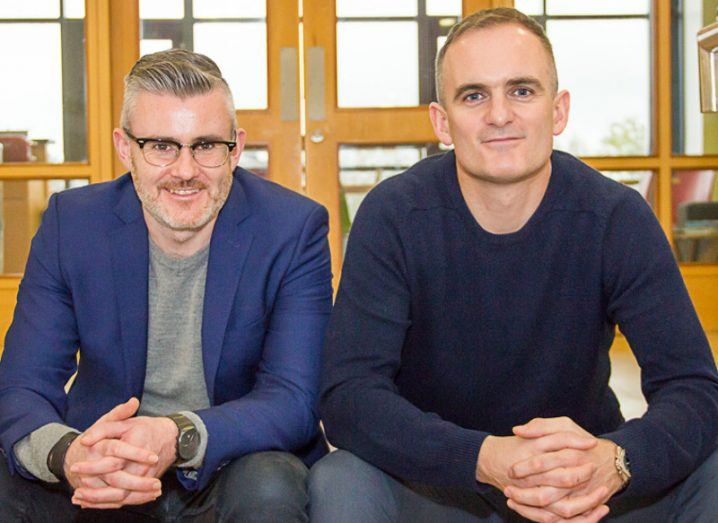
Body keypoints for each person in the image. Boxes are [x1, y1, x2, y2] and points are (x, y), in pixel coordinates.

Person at [310, 8, 718, 523]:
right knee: (340, 479)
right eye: (474, 95)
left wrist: (617, 461)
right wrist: (485, 458)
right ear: (442, 122)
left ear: (559, 110)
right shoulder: (394, 215)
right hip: (444, 489)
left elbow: (695, 389)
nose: (499, 114)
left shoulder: (614, 216)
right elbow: (349, 397)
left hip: (588, 491)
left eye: (522, 91)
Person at [0, 49, 332, 522]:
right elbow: (22, 385)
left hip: (233, 460)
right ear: (124, 148)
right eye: (161, 145)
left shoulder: (292, 229)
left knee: (272, 487)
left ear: (235, 148)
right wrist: (70, 456)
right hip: (105, 463)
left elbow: (294, 399)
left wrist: (175, 436)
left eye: (206, 145)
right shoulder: (71, 225)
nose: (185, 171)